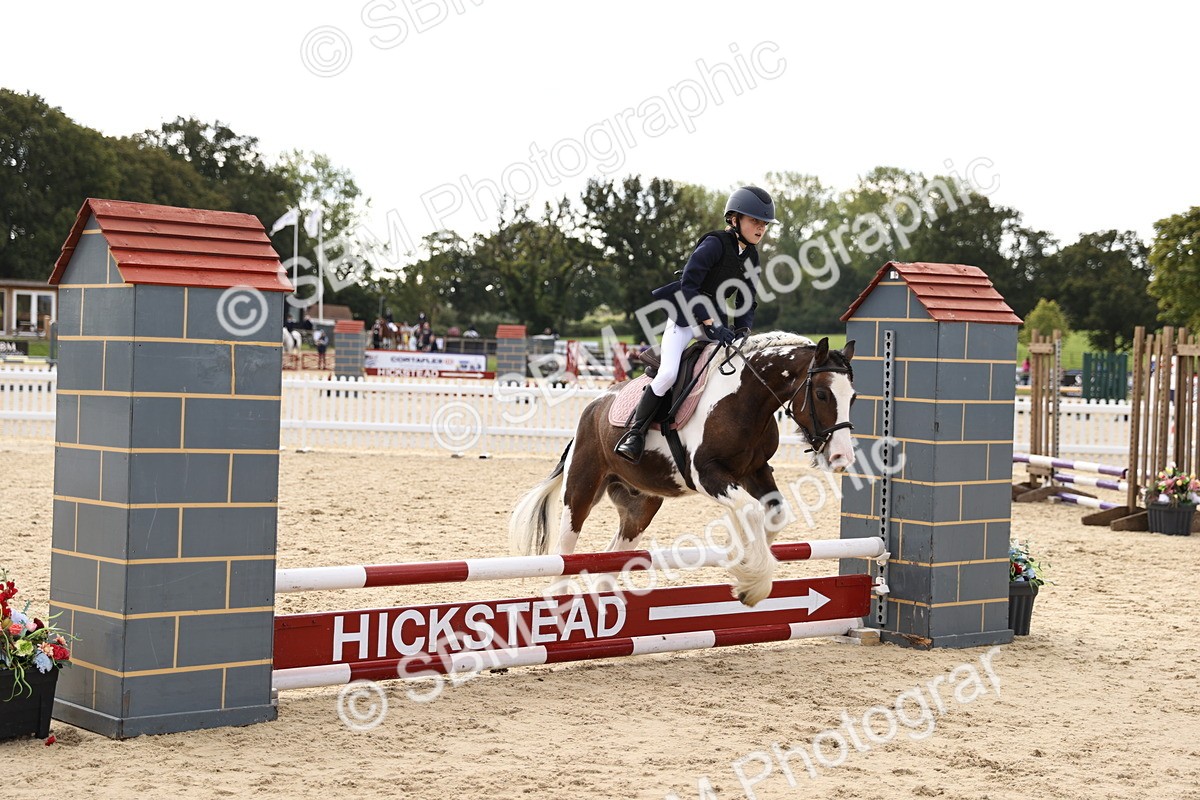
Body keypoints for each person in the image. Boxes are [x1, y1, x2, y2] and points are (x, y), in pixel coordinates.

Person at [614, 185, 776, 463]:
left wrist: (741, 330)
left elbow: (747, 299)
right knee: (667, 374)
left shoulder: (750, 256)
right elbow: (689, 286)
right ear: (734, 219)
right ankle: (635, 434)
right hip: (685, 315)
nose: (760, 228)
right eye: (754, 221)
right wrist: (712, 323)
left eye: (764, 224)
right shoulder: (714, 243)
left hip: (715, 318)